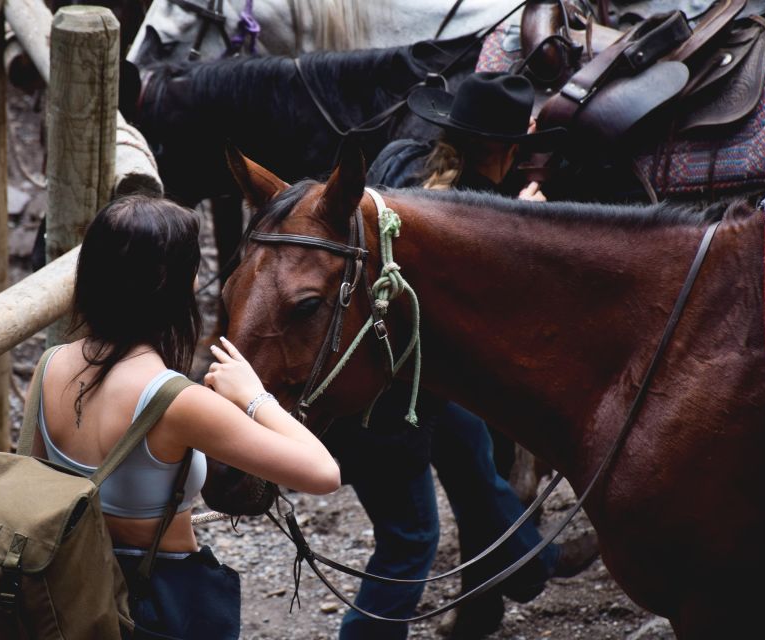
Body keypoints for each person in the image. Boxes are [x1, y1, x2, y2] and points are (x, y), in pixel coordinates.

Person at [324, 72, 598, 640]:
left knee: (470, 449)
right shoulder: (487, 214)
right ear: (502, 151)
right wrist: (528, 217)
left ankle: (530, 562)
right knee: (410, 539)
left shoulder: (399, 158)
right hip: (391, 389)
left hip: (395, 369)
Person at [30, 195, 341, 639]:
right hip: (161, 604)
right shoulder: (176, 402)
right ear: (175, 284)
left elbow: (43, 479)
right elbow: (323, 473)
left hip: (75, 595)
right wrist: (255, 397)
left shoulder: (49, 366)